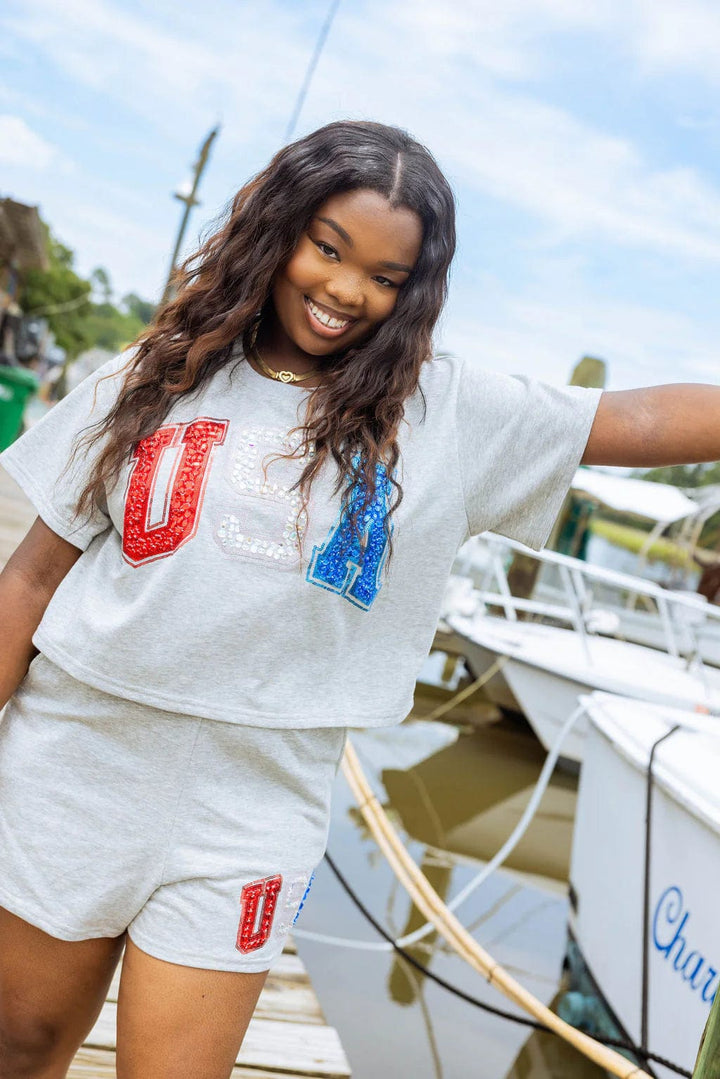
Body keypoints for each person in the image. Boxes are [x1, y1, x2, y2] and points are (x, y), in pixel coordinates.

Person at [0, 119, 718, 1079]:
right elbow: (31, 577)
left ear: (415, 292)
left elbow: (629, 416)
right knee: (24, 1043)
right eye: (327, 249)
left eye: (384, 276)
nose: (344, 290)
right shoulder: (155, 375)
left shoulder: (449, 414)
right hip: (73, 763)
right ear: (278, 229)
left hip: (253, 805)